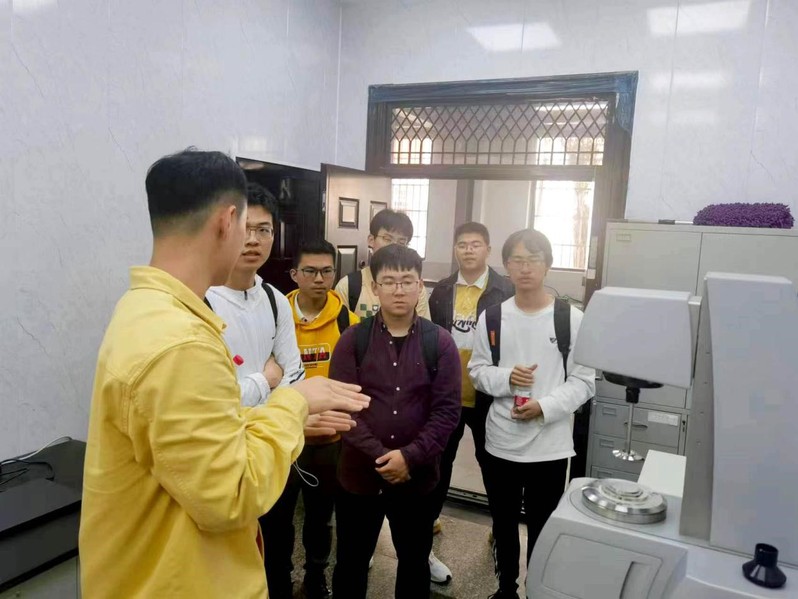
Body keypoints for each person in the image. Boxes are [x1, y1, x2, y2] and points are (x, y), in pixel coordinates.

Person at [79, 149, 369, 598]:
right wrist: (295, 402)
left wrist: (282, 410)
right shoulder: (182, 342)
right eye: (246, 226)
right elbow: (231, 494)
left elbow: (201, 438)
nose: (251, 240)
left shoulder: (145, 307)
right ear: (227, 221)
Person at [468, 229, 596, 599]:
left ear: (547, 265)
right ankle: (505, 589)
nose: (525, 268)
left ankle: (536, 590)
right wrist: (507, 378)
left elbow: (585, 381)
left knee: (543, 526)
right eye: (517, 261)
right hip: (501, 443)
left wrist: (545, 407)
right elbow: (477, 371)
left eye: (534, 259)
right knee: (503, 524)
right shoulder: (492, 317)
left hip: (550, 447)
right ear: (506, 266)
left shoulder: (571, 319)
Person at [330, 244, 462, 599]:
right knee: (351, 562)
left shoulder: (440, 343)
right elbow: (344, 408)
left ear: (420, 286)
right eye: (389, 281)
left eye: (407, 281)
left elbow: (447, 411)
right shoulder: (353, 340)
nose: (399, 289)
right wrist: (381, 456)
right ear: (375, 287)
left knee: (414, 563)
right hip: (359, 476)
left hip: (416, 479)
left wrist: (409, 457)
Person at [262, 239, 360, 599]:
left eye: (327, 271)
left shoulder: (349, 322)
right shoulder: (273, 316)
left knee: (320, 518)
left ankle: (316, 576)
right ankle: (278, 581)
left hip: (329, 441)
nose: (319, 279)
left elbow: (356, 382)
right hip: (282, 435)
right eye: (310, 271)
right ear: (294, 274)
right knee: (276, 518)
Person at [427, 222, 515, 582]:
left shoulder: (505, 289)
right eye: (462, 244)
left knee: (493, 464)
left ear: (488, 250)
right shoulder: (442, 290)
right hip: (448, 394)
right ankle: (430, 519)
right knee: (440, 462)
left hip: (488, 395)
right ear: (455, 249)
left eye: (475, 244)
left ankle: (500, 525)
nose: (468, 250)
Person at [205, 182, 305, 407]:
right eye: (244, 228)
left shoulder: (275, 301)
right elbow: (210, 399)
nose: (253, 240)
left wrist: (268, 412)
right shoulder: (202, 301)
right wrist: (265, 380)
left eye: (263, 230)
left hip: (273, 427)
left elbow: (294, 375)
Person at [335, 208, 431, 319]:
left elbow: (423, 328)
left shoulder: (415, 288)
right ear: (371, 240)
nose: (393, 246)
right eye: (387, 239)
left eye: (401, 242)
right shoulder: (347, 286)